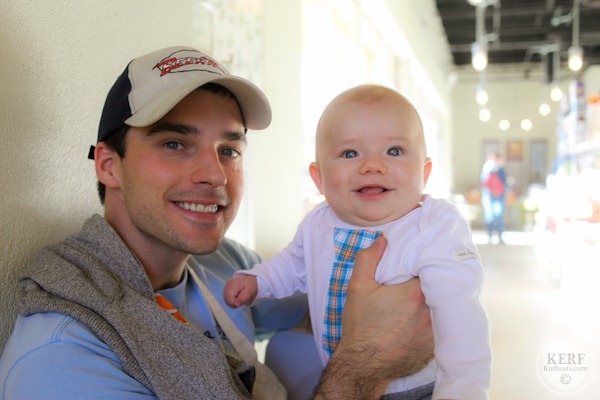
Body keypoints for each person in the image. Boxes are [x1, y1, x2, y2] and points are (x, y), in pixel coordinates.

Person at [0, 47, 434, 400]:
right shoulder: (62, 358)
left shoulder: (225, 263)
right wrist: (364, 366)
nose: (215, 175)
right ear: (109, 165)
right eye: (175, 144)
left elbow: (316, 300)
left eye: (229, 150)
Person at [225, 85, 491, 400]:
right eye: (350, 153)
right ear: (319, 178)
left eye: (394, 151)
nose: (372, 165)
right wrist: (258, 280)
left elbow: (460, 316)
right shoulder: (317, 224)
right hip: (343, 376)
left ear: (424, 172)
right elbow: (292, 264)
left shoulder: (434, 226)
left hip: (416, 388)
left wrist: (462, 388)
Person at [480, 152, 507, 244]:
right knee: (489, 217)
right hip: (488, 196)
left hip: (499, 196)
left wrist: (498, 192)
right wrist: (492, 190)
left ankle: (500, 237)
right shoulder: (486, 169)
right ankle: (490, 237)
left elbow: (504, 183)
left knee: (499, 216)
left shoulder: (501, 169)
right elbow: (484, 182)